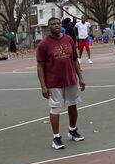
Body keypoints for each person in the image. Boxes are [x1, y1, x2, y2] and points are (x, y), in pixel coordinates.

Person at [36, 17, 86, 150]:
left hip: (70, 79)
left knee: (73, 105)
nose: (56, 25)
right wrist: (43, 86)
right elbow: (40, 66)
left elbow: (75, 60)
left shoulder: (68, 39)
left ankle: (72, 130)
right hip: (53, 82)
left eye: (58, 23)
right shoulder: (44, 44)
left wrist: (80, 77)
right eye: (53, 24)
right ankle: (56, 138)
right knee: (56, 109)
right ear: (49, 27)